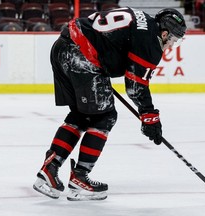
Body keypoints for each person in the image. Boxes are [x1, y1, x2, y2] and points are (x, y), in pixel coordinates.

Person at [33, 7, 187, 201]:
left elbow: (110, 41)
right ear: (164, 33)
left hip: (63, 47)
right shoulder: (151, 40)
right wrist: (150, 117)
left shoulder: (143, 21)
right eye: (173, 39)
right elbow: (135, 86)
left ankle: (50, 168)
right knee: (105, 117)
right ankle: (79, 178)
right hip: (81, 56)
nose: (172, 45)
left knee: (83, 115)